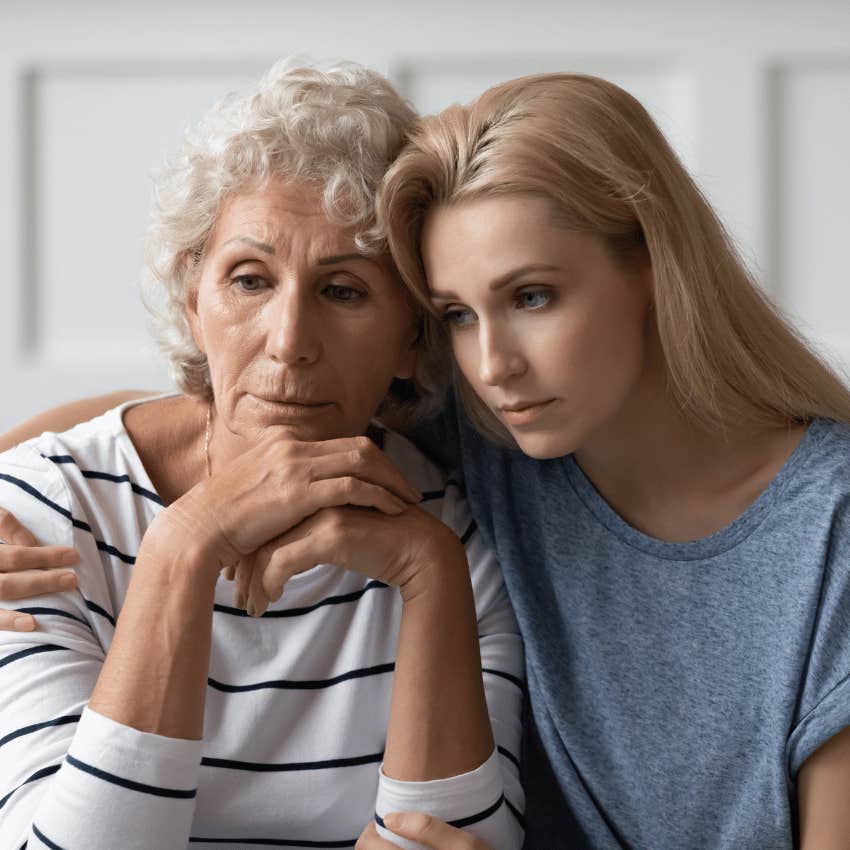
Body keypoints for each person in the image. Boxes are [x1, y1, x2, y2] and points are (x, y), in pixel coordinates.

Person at [6, 70, 850, 850]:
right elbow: (212, 415)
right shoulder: (498, 436)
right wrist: (129, 522)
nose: (493, 365)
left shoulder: (819, 528)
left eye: (532, 297)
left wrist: (424, 563)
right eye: (458, 314)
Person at [0, 61, 525, 850]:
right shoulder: (43, 519)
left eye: (344, 290)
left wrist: (427, 570)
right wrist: (184, 547)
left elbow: (457, 843)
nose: (288, 344)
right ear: (192, 298)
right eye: (249, 280)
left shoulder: (454, 537)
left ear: (413, 337)